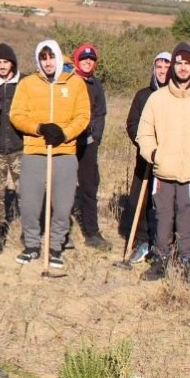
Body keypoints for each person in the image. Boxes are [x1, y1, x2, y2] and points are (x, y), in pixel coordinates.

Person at [136, 42, 190, 281]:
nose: (183, 68)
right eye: (179, 63)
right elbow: (144, 133)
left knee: (189, 220)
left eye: (188, 63)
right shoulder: (158, 98)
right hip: (164, 171)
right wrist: (154, 155)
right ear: (173, 66)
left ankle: (185, 263)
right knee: (162, 218)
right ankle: (160, 261)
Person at [10, 39, 91, 269]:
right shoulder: (27, 84)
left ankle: (56, 246)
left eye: (51, 56)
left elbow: (83, 116)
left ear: (58, 57)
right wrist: (39, 128)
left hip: (64, 151)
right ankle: (32, 245)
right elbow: (16, 114)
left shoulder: (75, 84)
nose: (48, 62)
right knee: (30, 203)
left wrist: (64, 134)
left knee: (63, 204)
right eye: (43, 58)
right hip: (35, 150)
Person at [121, 52, 172, 263]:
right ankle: (141, 241)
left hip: (168, 161)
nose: (162, 71)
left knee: (163, 203)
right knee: (138, 202)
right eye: (158, 67)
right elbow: (132, 123)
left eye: (166, 67)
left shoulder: (177, 97)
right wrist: (145, 145)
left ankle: (164, 245)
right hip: (145, 159)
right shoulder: (143, 95)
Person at [71, 43, 111, 250]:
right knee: (62, 187)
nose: (88, 61)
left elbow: (100, 113)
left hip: (88, 144)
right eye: (84, 58)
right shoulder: (66, 81)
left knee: (88, 188)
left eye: (92, 59)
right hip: (67, 144)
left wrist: (96, 137)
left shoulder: (96, 85)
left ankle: (92, 233)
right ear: (76, 59)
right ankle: (58, 232)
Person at [0, 43, 24, 254]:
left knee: (25, 192)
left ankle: (29, 231)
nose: (1, 66)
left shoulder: (24, 83)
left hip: (20, 147)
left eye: (5, 62)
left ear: (12, 63)